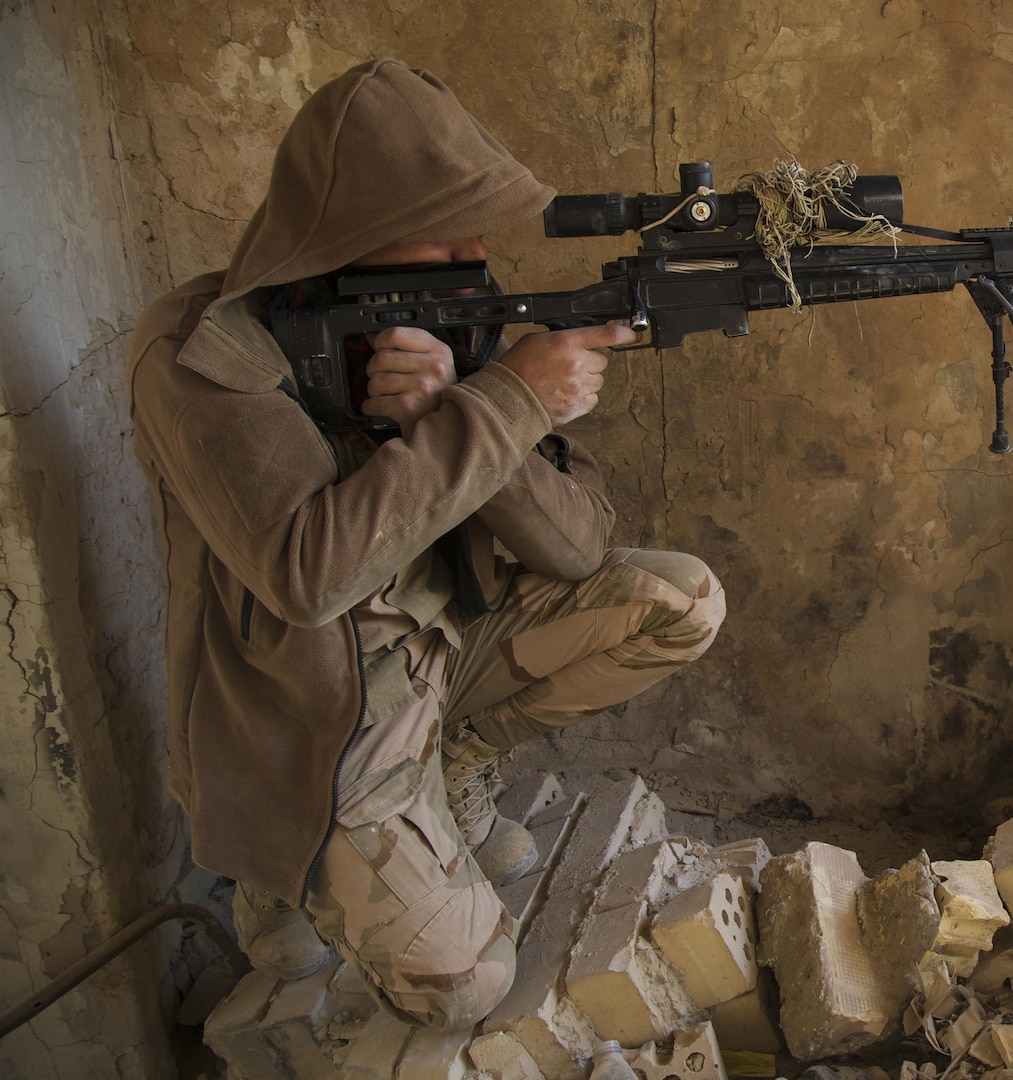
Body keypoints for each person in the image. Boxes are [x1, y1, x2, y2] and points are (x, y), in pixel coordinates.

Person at [127, 59, 726, 1030]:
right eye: (442, 225)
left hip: (446, 656)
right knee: (471, 988)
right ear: (346, 238)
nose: (474, 252)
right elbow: (308, 573)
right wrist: (505, 401)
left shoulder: (442, 315)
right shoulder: (206, 351)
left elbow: (577, 551)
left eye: (476, 224)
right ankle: (282, 875)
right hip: (310, 724)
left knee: (679, 602)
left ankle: (452, 767)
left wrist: (472, 409)